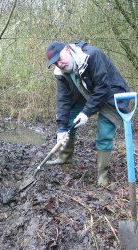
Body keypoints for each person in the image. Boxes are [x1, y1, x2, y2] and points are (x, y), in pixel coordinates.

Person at [45, 40, 130, 186]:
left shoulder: (91, 55)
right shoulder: (61, 72)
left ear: (67, 49)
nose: (59, 64)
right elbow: (63, 99)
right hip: (85, 93)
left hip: (110, 94)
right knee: (69, 119)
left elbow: (102, 88)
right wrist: (61, 129)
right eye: (55, 62)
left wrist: (86, 113)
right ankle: (65, 157)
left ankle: (103, 174)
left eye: (60, 58)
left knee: (104, 134)